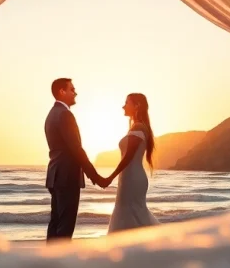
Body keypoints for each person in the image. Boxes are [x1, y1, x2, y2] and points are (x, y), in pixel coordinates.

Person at [44, 78, 104, 241]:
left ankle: (50, 261)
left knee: (55, 223)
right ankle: (60, 263)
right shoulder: (64, 114)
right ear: (62, 92)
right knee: (65, 225)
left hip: (55, 175)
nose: (75, 92)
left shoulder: (52, 114)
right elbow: (76, 149)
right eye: (72, 89)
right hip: (67, 176)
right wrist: (96, 177)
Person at [104, 93, 160, 233]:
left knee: (131, 213)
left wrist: (110, 177)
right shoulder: (137, 127)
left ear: (137, 106)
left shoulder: (138, 127)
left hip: (132, 178)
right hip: (130, 177)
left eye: (127, 103)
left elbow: (128, 157)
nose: (123, 106)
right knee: (132, 214)